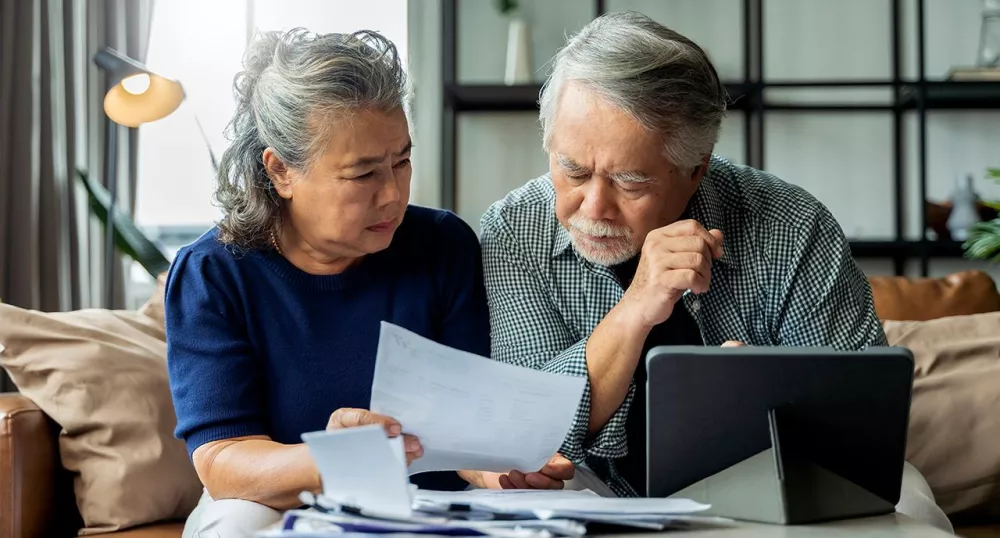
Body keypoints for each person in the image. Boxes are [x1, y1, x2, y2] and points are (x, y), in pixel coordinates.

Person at [479, 11, 954, 533]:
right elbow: (522, 431)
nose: (593, 208)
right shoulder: (512, 231)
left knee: (911, 504)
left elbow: (867, 422)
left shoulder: (793, 225)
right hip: (594, 487)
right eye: (572, 171)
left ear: (696, 169)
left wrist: (765, 398)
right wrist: (637, 306)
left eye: (630, 182)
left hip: (775, 483)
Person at [165, 28, 571, 538]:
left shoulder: (443, 245)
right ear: (281, 171)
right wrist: (333, 458)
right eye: (363, 175)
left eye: (402, 161)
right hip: (271, 501)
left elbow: (462, 434)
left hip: (429, 499)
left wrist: (501, 470)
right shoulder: (213, 273)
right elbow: (223, 463)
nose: (393, 194)